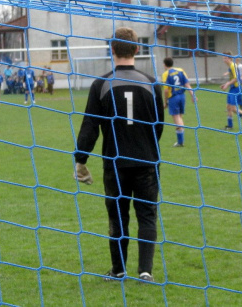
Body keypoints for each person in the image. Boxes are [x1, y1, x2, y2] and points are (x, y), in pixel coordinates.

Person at [74, 27, 164, 283]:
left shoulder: (101, 84)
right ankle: (145, 271)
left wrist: (81, 160)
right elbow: (158, 126)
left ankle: (118, 270)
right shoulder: (152, 84)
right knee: (147, 214)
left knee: (117, 215)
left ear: (111, 50)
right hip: (147, 161)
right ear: (137, 49)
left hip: (115, 163)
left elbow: (89, 126)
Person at [162, 57, 196, 147]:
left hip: (173, 97)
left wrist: (165, 102)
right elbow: (187, 84)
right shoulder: (180, 70)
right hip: (182, 96)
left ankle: (180, 141)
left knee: (177, 118)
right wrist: (193, 95)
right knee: (180, 117)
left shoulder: (166, 74)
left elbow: (166, 90)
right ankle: (180, 140)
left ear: (164, 65)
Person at [221, 51, 242, 130]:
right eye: (223, 58)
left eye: (225, 58)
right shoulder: (231, 66)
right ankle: (230, 125)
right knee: (228, 107)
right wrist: (226, 84)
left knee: (233, 108)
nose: (223, 60)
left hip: (236, 89)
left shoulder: (233, 66)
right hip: (233, 88)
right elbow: (233, 78)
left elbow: (236, 79)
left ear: (229, 59)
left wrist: (227, 84)